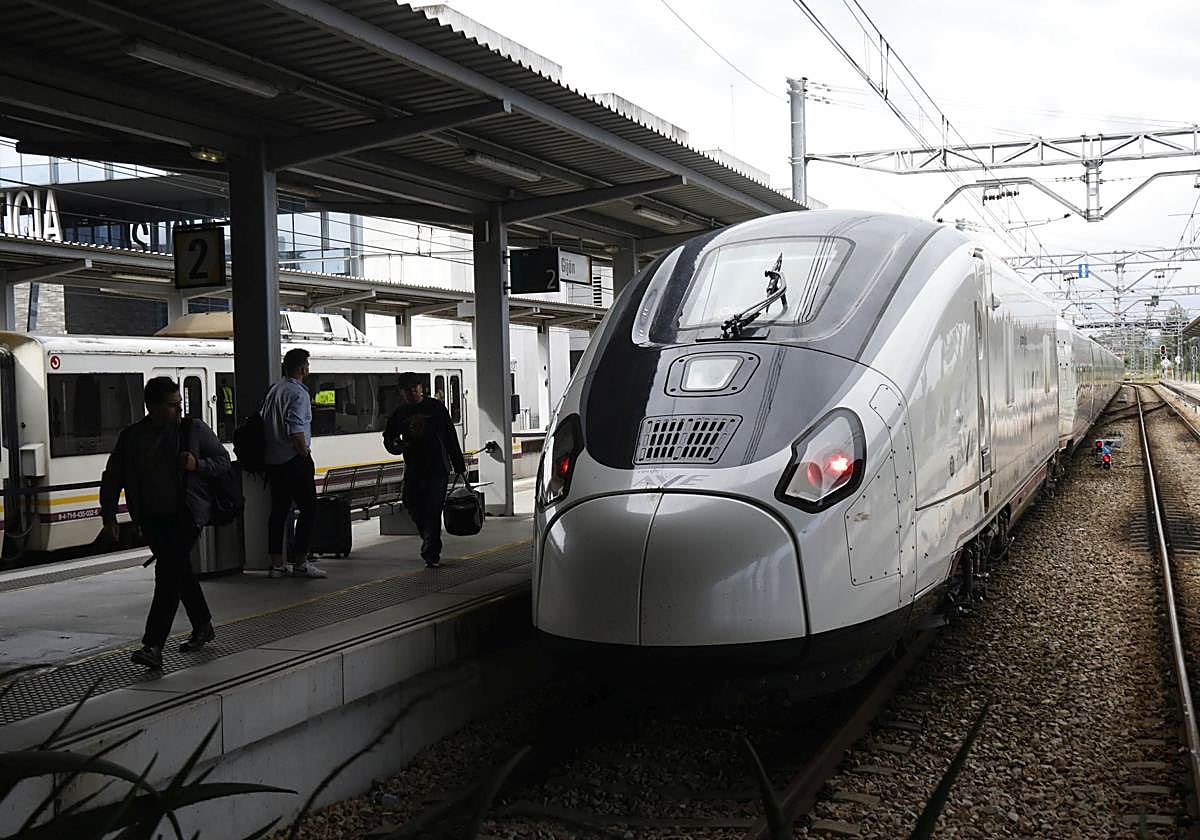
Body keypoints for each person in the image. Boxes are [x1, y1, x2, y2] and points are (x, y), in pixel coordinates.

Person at [100, 377, 230, 669]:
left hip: (187, 513)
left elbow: (223, 460)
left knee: (168, 574)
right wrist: (109, 514)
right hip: (151, 518)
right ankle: (203, 625)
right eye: (171, 406)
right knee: (179, 570)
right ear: (152, 407)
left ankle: (153, 645)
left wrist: (199, 465)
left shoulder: (191, 430)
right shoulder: (132, 437)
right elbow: (113, 476)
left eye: (179, 404)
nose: (178, 411)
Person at [384, 372, 467, 567]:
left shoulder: (435, 408)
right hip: (414, 467)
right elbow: (389, 439)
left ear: (421, 388)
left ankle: (431, 551)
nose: (412, 391)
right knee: (411, 503)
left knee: (432, 508)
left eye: (415, 387)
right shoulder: (400, 413)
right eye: (408, 389)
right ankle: (429, 537)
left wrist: (459, 465)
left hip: (438, 467)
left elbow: (449, 435)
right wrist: (397, 447)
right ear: (402, 392)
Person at [261, 348, 326, 579]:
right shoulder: (299, 394)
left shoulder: (274, 390)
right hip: (294, 461)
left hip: (274, 462)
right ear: (302, 369)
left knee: (278, 512)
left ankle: (276, 564)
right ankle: (301, 562)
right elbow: (296, 428)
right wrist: (304, 451)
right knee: (309, 509)